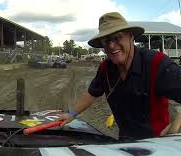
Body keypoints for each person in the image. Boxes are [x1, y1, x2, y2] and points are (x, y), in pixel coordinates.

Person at [60, 12, 181, 140]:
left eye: (117, 37)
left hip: (158, 145)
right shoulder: (105, 68)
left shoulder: (157, 63)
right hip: (124, 142)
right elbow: (92, 94)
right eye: (106, 41)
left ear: (131, 37)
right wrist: (72, 114)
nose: (111, 46)